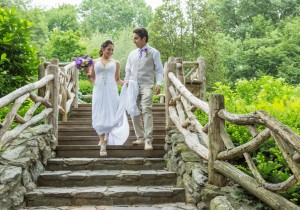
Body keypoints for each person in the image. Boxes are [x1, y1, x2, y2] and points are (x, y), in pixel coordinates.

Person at [124, 27, 164, 151]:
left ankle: (148, 139)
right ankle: (140, 137)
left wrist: (159, 83)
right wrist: (126, 82)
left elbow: (159, 70)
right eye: (133, 38)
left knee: (146, 108)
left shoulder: (154, 53)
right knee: (133, 110)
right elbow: (128, 70)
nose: (134, 41)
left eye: (136, 38)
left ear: (144, 38)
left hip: (147, 85)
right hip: (133, 85)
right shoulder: (132, 54)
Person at [88, 40, 129, 156]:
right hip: (99, 90)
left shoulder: (116, 63)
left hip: (112, 91)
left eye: (112, 50)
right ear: (102, 49)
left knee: (112, 114)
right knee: (99, 113)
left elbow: (117, 80)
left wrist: (126, 83)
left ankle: (107, 138)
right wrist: (87, 73)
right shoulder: (94, 62)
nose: (110, 52)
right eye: (108, 49)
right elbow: (92, 80)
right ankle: (102, 142)